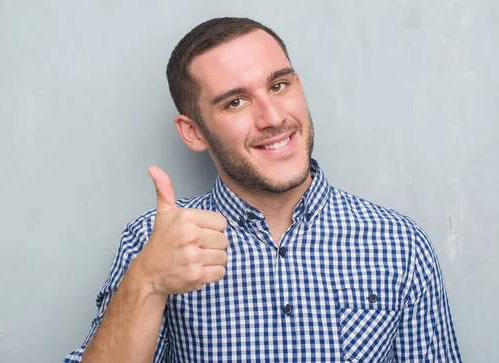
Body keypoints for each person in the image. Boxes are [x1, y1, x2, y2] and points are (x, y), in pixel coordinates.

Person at [63, 17, 461, 362]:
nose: (273, 118)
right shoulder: (152, 243)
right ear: (194, 131)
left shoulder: (399, 244)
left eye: (279, 85)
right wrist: (148, 280)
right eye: (235, 102)